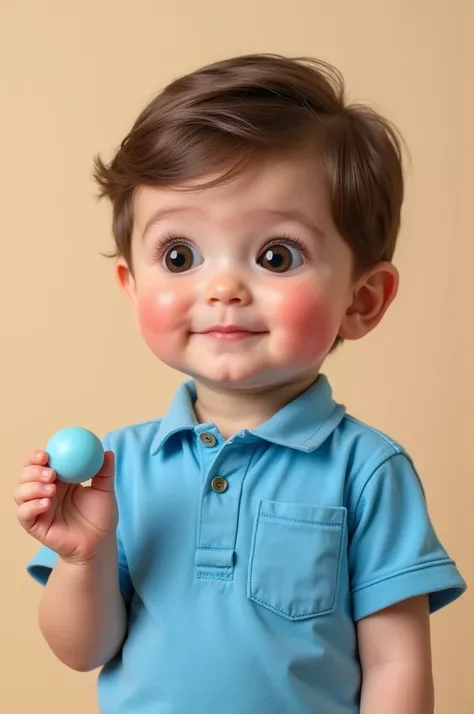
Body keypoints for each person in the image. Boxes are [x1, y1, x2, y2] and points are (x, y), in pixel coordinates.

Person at [15, 54, 466, 714]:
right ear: (132, 287)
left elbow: (396, 661)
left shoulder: (368, 471)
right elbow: (84, 649)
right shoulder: (121, 469)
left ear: (362, 300)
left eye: (276, 255)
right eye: (180, 256)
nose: (223, 288)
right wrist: (82, 557)